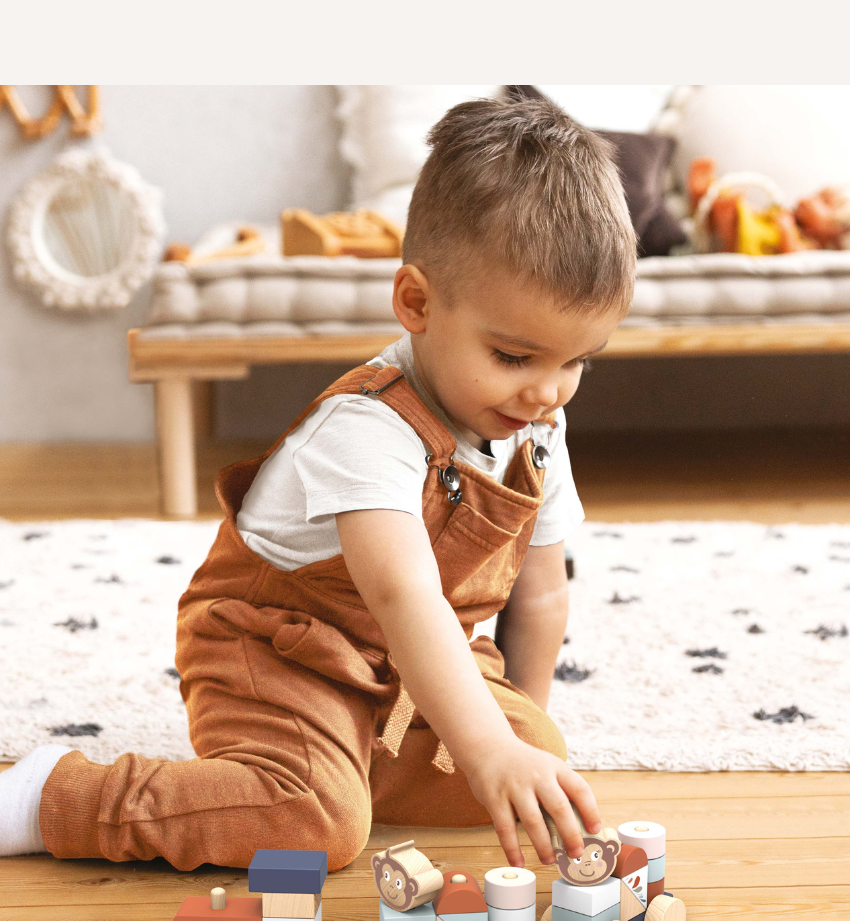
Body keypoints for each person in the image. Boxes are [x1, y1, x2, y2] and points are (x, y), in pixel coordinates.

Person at [0, 96, 636, 872]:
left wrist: (509, 745)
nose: (548, 393)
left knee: (538, 748)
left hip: (399, 667)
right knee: (318, 827)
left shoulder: (534, 427)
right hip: (275, 654)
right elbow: (404, 597)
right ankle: (55, 796)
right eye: (514, 358)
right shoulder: (367, 430)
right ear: (417, 303)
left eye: (576, 361)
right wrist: (482, 746)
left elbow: (539, 595)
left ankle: (336, 758)